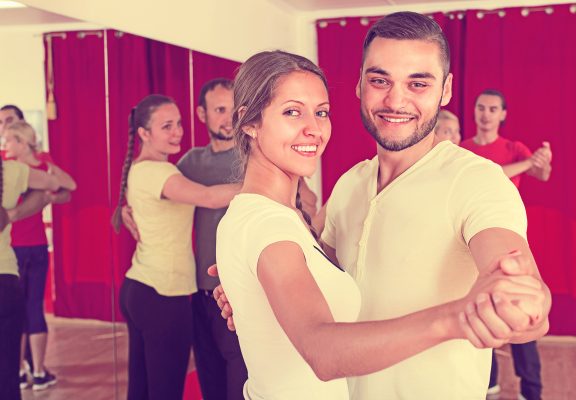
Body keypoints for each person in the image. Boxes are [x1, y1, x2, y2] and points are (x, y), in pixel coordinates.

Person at [215, 13, 551, 400]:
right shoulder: (349, 185)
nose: (396, 100)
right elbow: (312, 274)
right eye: (380, 80)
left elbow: (524, 296)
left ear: (445, 91)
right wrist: (254, 289)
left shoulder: (477, 181)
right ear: (360, 85)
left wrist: (524, 302)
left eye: (418, 83)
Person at [123, 79, 248, 400]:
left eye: (177, 124)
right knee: (177, 386)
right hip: (177, 293)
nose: (176, 131)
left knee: (145, 387)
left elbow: (307, 198)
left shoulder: (254, 157)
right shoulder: (181, 166)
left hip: (225, 293)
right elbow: (203, 196)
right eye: (220, 109)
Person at [461, 89, 552, 400]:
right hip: (469, 246)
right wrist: (526, 165)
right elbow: (490, 177)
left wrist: (539, 161)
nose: (485, 114)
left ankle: (532, 392)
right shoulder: (463, 150)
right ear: (474, 112)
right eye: (480, 107)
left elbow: (542, 173)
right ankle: (489, 388)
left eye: (492, 109)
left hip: (509, 243)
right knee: (481, 311)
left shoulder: (514, 149)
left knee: (521, 313)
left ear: (502, 115)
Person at [2, 121, 76, 391]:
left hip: (23, 248)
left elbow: (68, 187)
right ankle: (32, 370)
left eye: (9, 140)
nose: (5, 146)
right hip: (25, 248)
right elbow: (66, 187)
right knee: (29, 308)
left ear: (22, 143)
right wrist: (48, 196)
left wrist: (50, 197)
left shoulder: (21, 168)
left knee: (27, 310)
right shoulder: (32, 166)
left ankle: (27, 369)